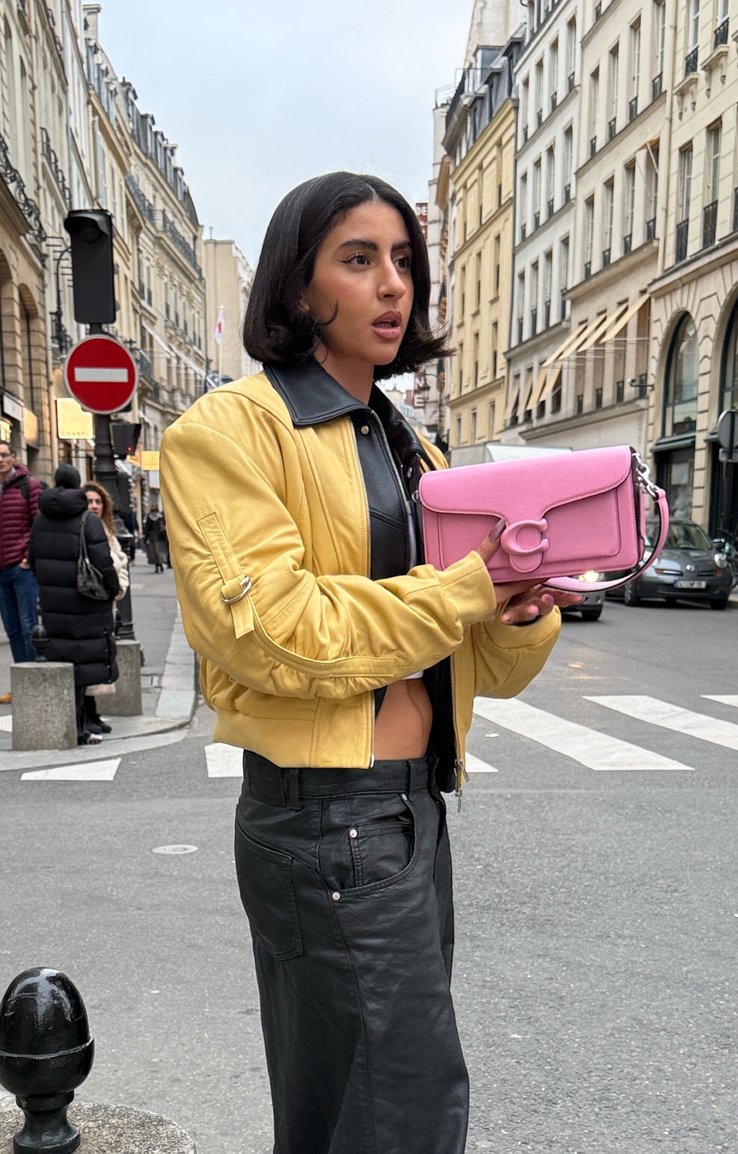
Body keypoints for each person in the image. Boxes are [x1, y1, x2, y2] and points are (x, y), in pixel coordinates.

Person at [160, 171, 581, 1154]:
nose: (393, 284)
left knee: (356, 1106)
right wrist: (468, 589)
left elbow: (485, 666)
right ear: (298, 288)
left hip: (410, 813)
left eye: (404, 260)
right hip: (328, 816)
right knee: (398, 1113)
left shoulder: (413, 446)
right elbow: (269, 627)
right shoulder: (231, 430)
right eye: (359, 259)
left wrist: (518, 610)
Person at [28, 464, 119, 745]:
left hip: (54, 601)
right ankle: (79, 727)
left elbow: (33, 560)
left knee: (63, 659)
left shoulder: (40, 519)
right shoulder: (86, 520)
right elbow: (103, 562)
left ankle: (72, 725)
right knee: (82, 664)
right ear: (78, 485)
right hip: (86, 601)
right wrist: (112, 589)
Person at [83, 481, 129, 735]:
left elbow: (119, 561)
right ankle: (88, 712)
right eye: (90, 501)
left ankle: (93, 712)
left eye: (98, 502)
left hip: (107, 601)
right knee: (92, 657)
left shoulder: (106, 530)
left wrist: (120, 585)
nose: (94, 506)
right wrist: (115, 586)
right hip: (94, 601)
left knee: (101, 656)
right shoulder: (86, 529)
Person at [0, 440, 43, 701]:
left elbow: (39, 523)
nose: (0, 459)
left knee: (29, 627)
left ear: (13, 457)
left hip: (20, 567)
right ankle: (20, 686)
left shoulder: (29, 485)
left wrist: (27, 556)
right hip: (1, 570)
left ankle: (36, 683)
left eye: (4, 454)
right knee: (12, 629)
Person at [143, 502, 167, 572]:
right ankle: (161, 564)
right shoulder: (160, 517)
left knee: (154, 552)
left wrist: (145, 537)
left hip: (152, 537)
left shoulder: (149, 517)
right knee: (160, 551)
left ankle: (157, 566)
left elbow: (147, 528)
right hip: (160, 537)